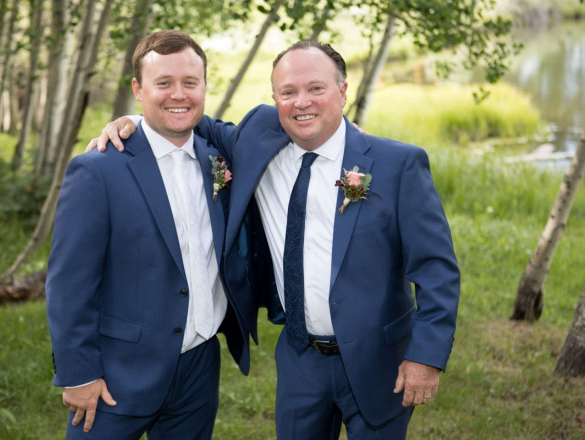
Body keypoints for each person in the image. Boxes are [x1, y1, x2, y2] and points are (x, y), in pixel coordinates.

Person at [92, 40, 460, 439]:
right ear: (274, 99)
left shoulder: (396, 164)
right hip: (300, 358)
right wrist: (130, 119)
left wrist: (426, 356)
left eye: (316, 89)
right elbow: (184, 115)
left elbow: (437, 270)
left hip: (380, 361)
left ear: (343, 91)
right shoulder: (256, 142)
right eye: (288, 92)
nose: (302, 102)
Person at [45, 30, 259, 440]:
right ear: (137, 89)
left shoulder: (219, 160)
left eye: (189, 83)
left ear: (204, 87)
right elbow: (69, 283)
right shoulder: (98, 170)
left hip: (198, 366)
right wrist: (78, 373)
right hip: (117, 374)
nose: (178, 94)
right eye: (163, 83)